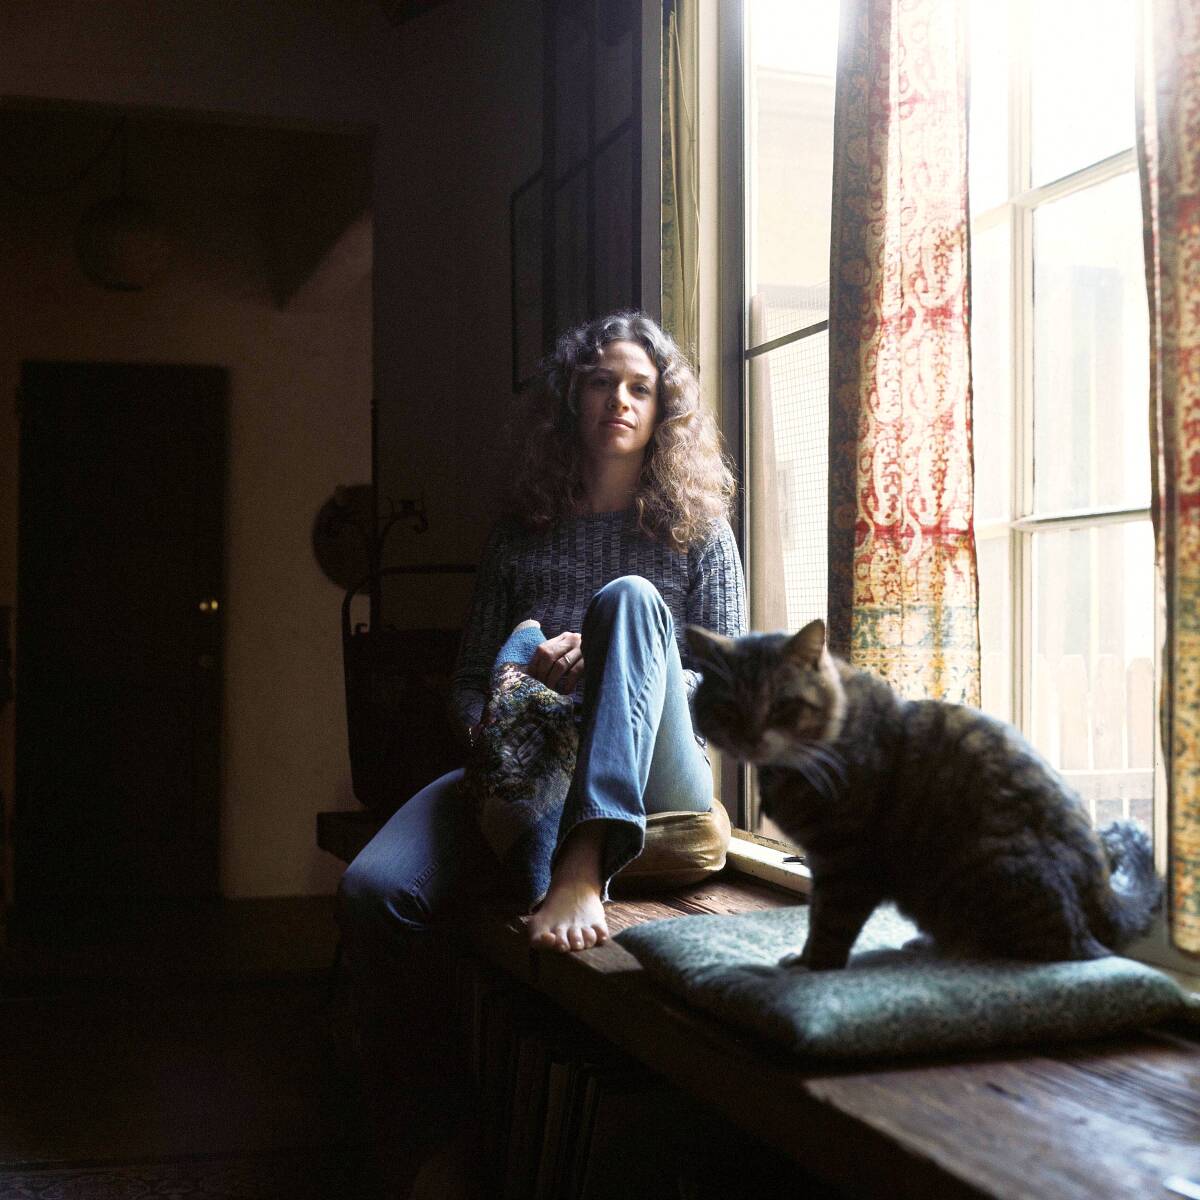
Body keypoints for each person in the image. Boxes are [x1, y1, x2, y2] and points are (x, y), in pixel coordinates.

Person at [337, 310, 746, 1192]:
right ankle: (437, 1141)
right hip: (528, 763)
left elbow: (724, 694)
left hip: (650, 772)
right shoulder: (523, 528)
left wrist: (619, 666)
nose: (620, 400)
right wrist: (533, 685)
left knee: (631, 602)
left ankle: (581, 866)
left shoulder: (696, 530)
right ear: (571, 395)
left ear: (665, 407)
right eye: (602, 381)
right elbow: (466, 693)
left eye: (641, 387)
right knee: (373, 892)